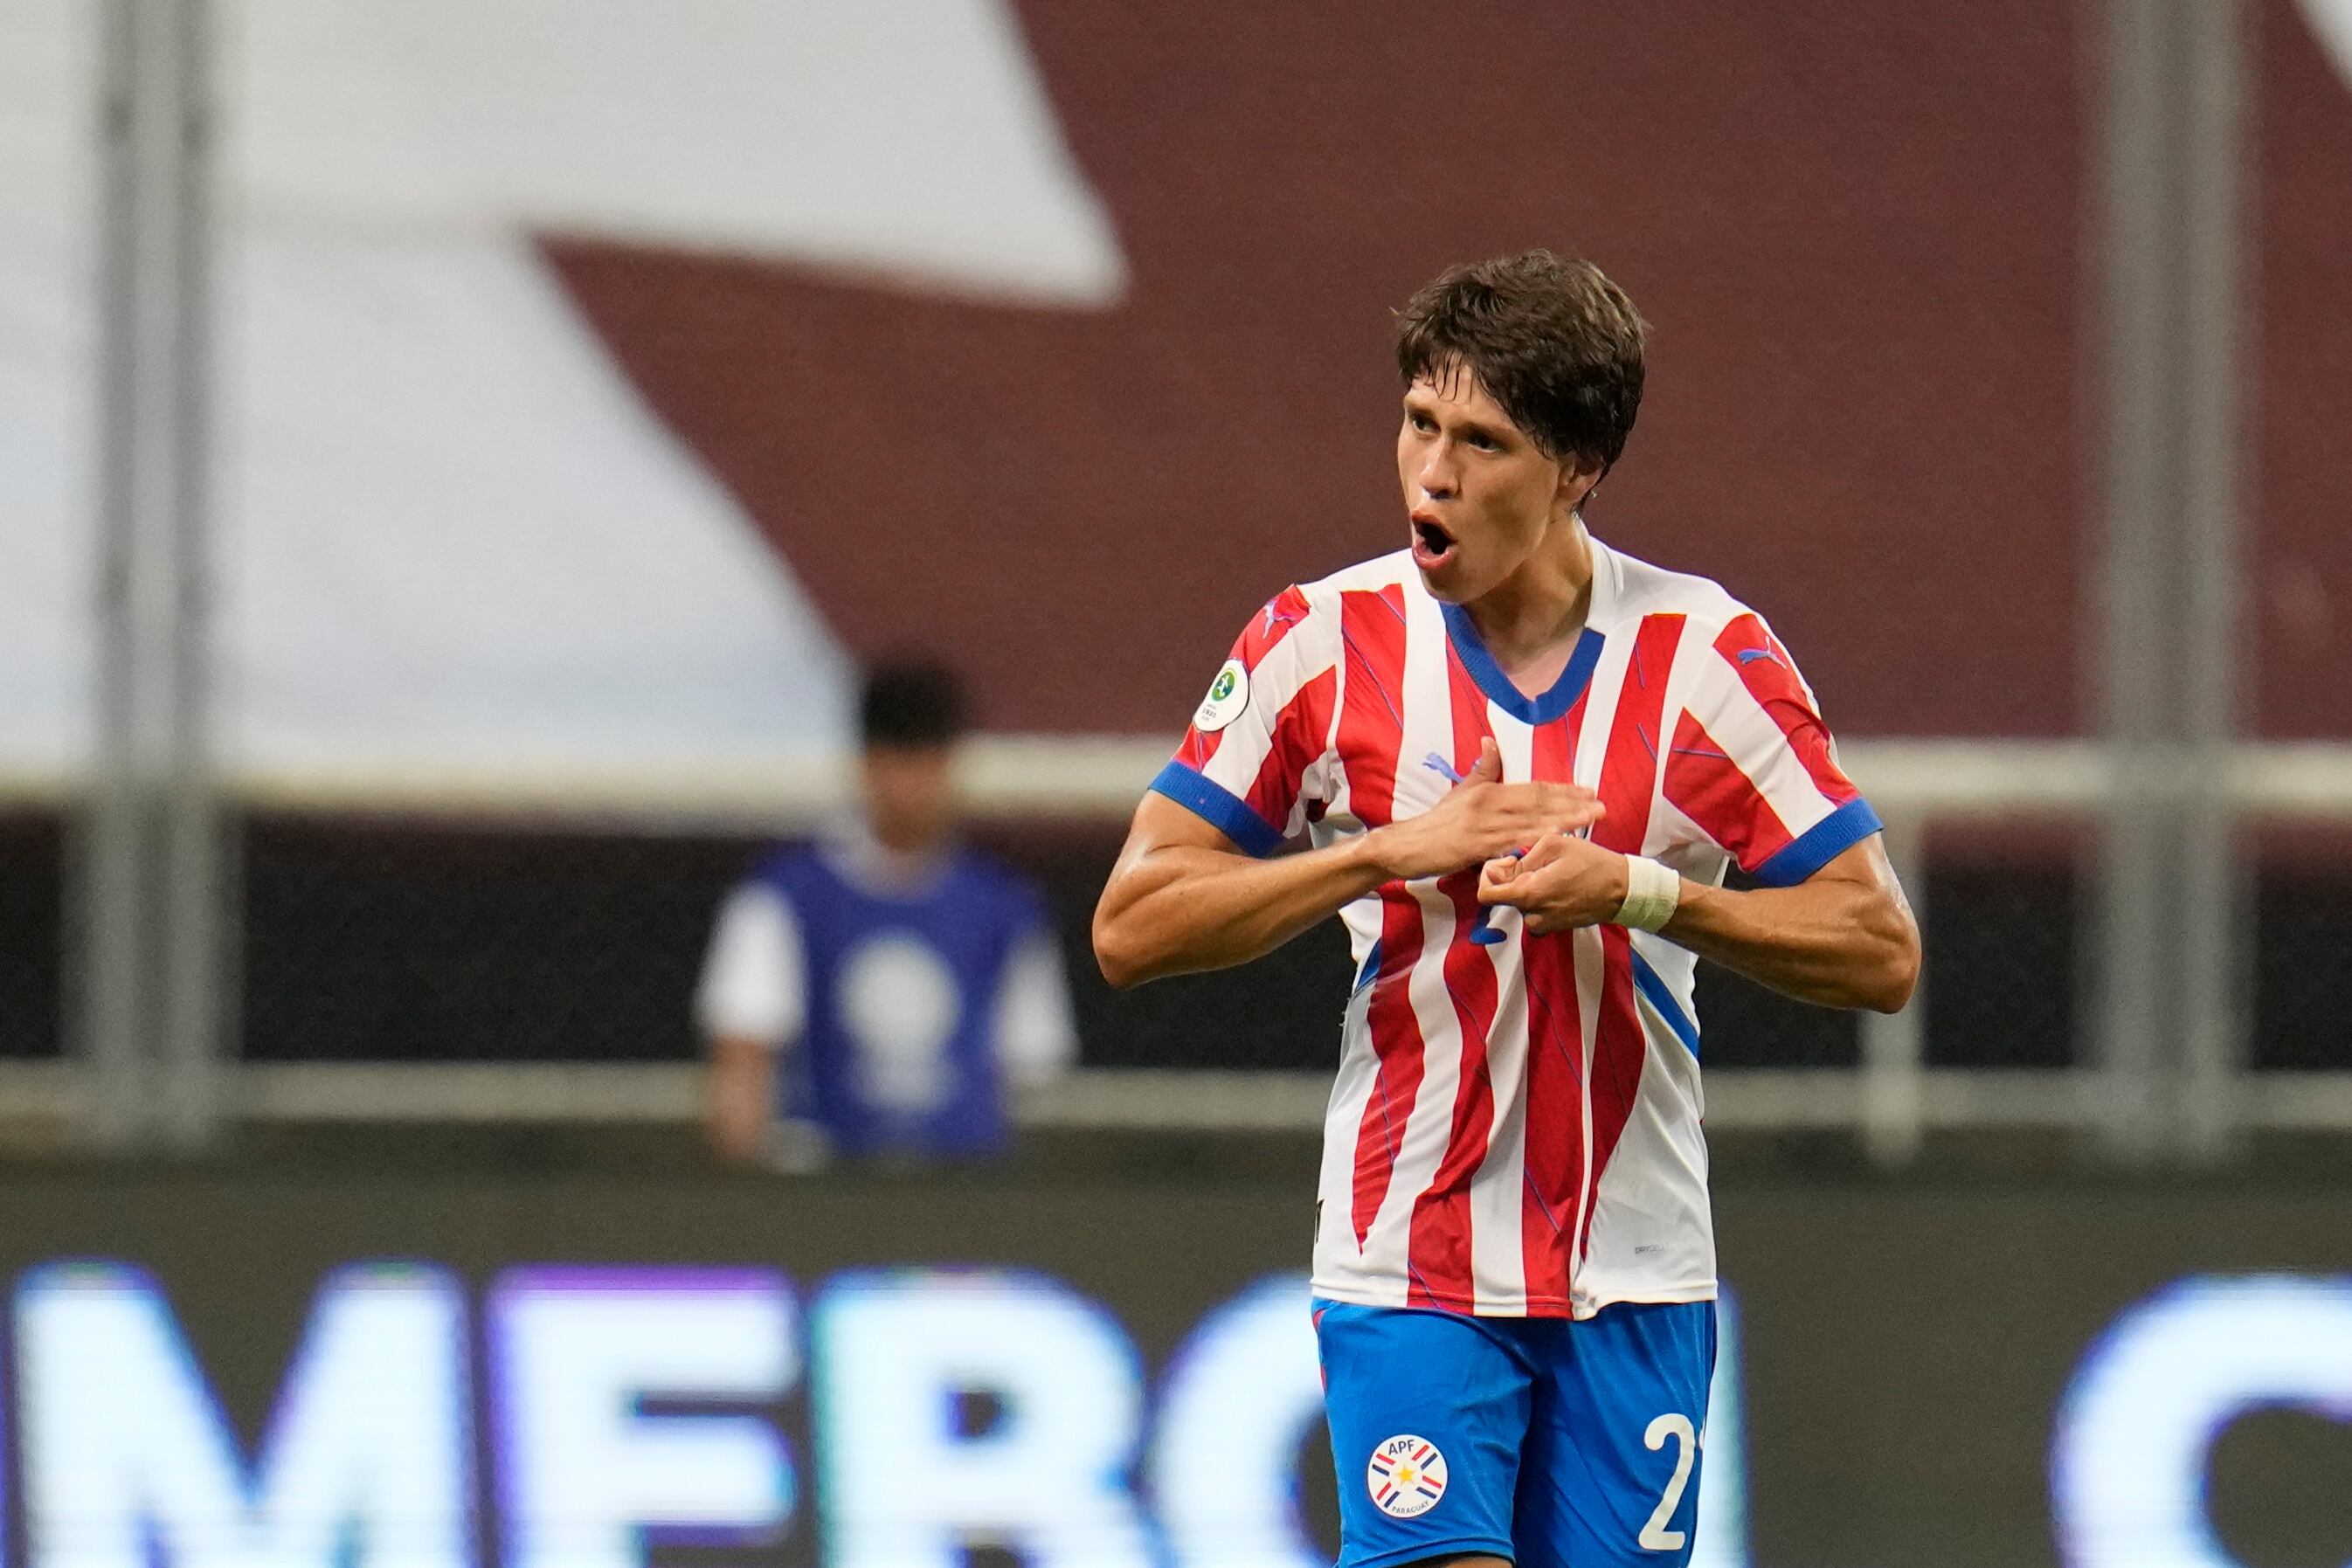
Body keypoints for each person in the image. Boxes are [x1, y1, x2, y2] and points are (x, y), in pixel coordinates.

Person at [1093, 251, 1920, 1568]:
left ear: (1578, 468)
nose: (1435, 471)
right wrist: (1383, 853)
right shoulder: (1320, 642)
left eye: (1482, 441)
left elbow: (1879, 947)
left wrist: (1646, 892)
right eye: (1421, 423)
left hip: (1634, 1266)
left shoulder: (1707, 659)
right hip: (1410, 1255)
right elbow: (1134, 921)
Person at [699, 660, 1076, 1169]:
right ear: (866, 763)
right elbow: (742, 1062)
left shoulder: (1005, 908)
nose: (914, 786)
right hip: (825, 1185)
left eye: (930, 763)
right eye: (899, 761)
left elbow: (1028, 1074)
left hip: (963, 1190)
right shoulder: (783, 898)